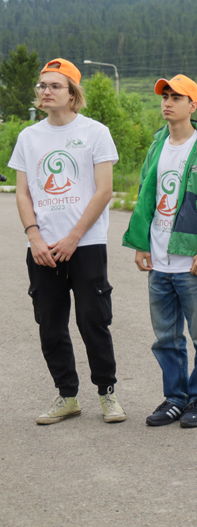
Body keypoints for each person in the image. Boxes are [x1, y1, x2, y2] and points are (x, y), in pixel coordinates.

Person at [9, 58, 125, 425]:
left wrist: (74, 237)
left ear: (73, 94)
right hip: (42, 248)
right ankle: (67, 396)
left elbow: (104, 191)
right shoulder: (29, 137)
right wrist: (34, 236)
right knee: (50, 323)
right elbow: (23, 193)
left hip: (85, 245)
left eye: (54, 86)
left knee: (93, 321)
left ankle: (107, 393)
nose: (45, 91)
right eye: (42, 86)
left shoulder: (95, 132)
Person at [123, 75, 197, 428]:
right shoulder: (157, 146)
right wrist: (140, 243)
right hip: (159, 259)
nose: (167, 102)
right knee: (166, 338)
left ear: (192, 105)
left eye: (176, 97)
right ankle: (175, 398)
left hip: (194, 260)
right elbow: (146, 197)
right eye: (164, 96)